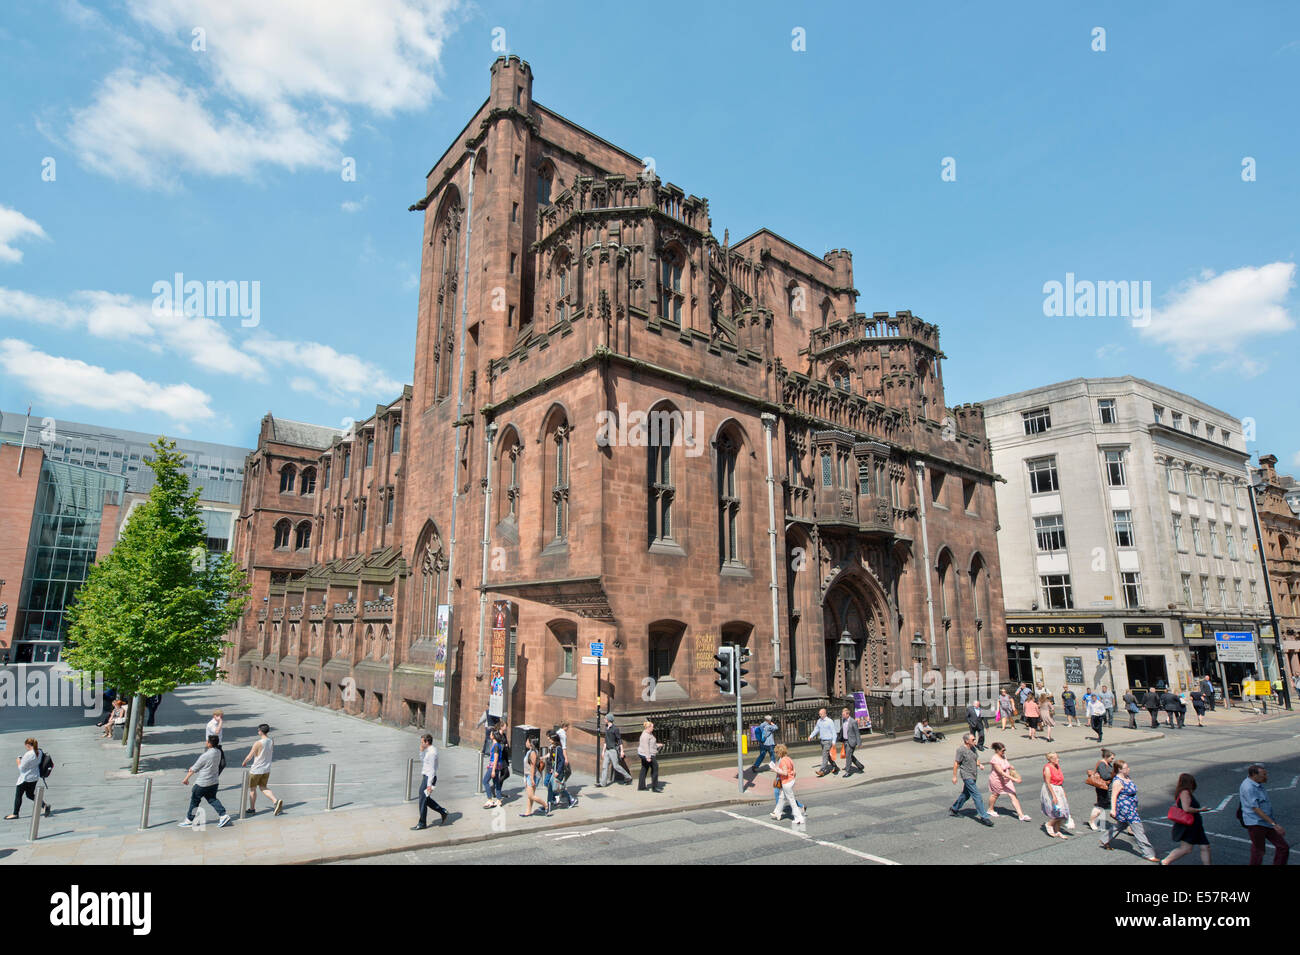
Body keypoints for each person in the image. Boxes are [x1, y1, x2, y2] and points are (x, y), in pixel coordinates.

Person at [1099, 759, 1157, 861]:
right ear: (1120, 770)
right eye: (1126, 768)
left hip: (1131, 807)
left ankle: (1104, 839)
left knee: (1121, 824)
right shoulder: (1117, 781)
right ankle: (1149, 854)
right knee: (1138, 829)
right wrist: (1113, 809)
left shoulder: (1127, 777)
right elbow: (1113, 796)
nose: (1128, 769)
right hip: (1126, 809)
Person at [1240, 764, 1289, 865]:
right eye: (1263, 774)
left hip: (1266, 822)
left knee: (1283, 847)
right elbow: (1256, 808)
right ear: (1254, 774)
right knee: (1258, 851)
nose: (1266, 777)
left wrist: (1272, 823)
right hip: (1256, 823)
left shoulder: (1256, 783)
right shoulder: (1249, 787)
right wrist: (1274, 824)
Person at [180, 735, 231, 828]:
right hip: (214, 781)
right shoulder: (218, 752)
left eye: (207, 741)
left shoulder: (205, 755)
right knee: (212, 799)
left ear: (209, 743)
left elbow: (194, 768)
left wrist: (185, 779)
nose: (206, 742)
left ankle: (189, 820)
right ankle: (223, 815)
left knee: (194, 801)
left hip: (202, 783)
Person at [1161, 773, 1210, 865]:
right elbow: (1186, 808)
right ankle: (1165, 861)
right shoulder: (1185, 792)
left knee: (1205, 846)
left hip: (1196, 825)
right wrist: (1200, 809)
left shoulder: (1182, 792)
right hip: (1190, 825)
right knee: (1186, 849)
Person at [949, 733, 995, 827]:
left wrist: (979, 764)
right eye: (973, 739)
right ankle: (984, 817)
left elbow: (975, 758)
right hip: (966, 775)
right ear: (967, 741)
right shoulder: (961, 750)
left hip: (973, 774)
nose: (975, 741)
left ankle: (954, 809)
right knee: (977, 795)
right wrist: (954, 776)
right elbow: (956, 763)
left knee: (966, 794)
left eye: (974, 739)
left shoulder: (973, 748)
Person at [240, 723, 283, 816]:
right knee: (263, 787)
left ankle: (252, 808)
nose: (257, 731)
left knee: (252, 789)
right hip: (266, 769)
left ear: (261, 731)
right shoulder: (271, 741)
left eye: (258, 730)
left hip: (256, 769)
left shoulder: (258, 743)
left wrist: (244, 761)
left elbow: (250, 755)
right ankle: (275, 801)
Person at [7, 738, 51, 821]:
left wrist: (18, 761)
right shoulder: (39, 752)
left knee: (18, 796)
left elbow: (21, 768)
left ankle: (15, 813)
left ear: (28, 745)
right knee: (30, 794)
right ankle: (44, 806)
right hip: (34, 777)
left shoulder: (28, 754)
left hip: (25, 778)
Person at [987, 742, 1032, 821]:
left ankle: (1021, 815)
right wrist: (1013, 779)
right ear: (997, 750)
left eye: (1004, 750)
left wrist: (1011, 766)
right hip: (997, 780)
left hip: (1006, 780)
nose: (1004, 752)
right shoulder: (994, 759)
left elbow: (1006, 764)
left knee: (1013, 795)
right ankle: (990, 809)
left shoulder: (1004, 756)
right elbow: (1001, 772)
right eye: (1002, 750)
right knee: (995, 794)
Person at [411, 732, 448, 829]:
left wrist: (429, 785)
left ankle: (422, 823)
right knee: (425, 799)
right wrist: (421, 751)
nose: (421, 744)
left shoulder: (432, 753)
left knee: (422, 799)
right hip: (426, 776)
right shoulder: (428, 750)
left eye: (422, 742)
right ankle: (442, 811)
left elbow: (432, 769)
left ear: (427, 742)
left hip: (429, 778)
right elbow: (423, 760)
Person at [770, 744, 805, 825]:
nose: (776, 754)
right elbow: (794, 772)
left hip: (786, 782)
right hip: (791, 780)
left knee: (791, 800)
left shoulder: (782, 761)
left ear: (779, 753)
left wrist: (775, 770)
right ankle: (777, 812)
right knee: (782, 797)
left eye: (776, 752)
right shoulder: (789, 759)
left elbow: (785, 773)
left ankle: (799, 818)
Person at [1040, 752, 1071, 839]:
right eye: (1056, 758)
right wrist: (1053, 795)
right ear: (1051, 759)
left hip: (1059, 789)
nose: (1058, 759)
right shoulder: (1047, 768)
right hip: (1051, 789)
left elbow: (1060, 781)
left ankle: (1057, 831)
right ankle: (1049, 824)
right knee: (1059, 812)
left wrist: (1063, 792)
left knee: (1062, 810)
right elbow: (1048, 783)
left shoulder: (1057, 766)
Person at [544, 729, 576, 810]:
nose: (548, 740)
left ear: (553, 739)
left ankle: (551, 802)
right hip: (554, 770)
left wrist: (557, 771)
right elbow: (554, 760)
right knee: (554, 786)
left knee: (557, 787)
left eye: (549, 738)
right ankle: (552, 801)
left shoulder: (558, 748)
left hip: (559, 772)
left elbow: (562, 761)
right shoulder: (553, 747)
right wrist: (552, 769)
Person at [1087, 749, 1116, 831]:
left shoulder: (1107, 764)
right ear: (1106, 757)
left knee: (1103, 805)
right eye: (1111, 758)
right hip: (1102, 788)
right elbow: (1105, 776)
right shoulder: (1102, 764)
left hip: (1106, 788)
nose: (1112, 760)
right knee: (1100, 806)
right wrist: (1114, 774)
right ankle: (1091, 821)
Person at [520, 735, 549, 817]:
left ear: (530, 743)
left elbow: (532, 766)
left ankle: (545, 805)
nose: (526, 742)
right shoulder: (530, 751)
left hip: (532, 775)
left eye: (527, 741)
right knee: (530, 795)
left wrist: (532, 779)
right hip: (528, 775)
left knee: (531, 795)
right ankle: (528, 812)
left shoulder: (533, 752)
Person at [599, 716, 632, 786]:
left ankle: (628, 777)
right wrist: (603, 751)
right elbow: (606, 741)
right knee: (604, 767)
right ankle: (603, 783)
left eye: (605, 718)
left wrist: (622, 751)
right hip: (607, 750)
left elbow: (619, 740)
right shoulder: (606, 728)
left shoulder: (615, 729)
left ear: (609, 720)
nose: (604, 719)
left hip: (613, 750)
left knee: (616, 766)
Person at [809, 707, 840, 776]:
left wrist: (834, 742)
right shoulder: (819, 721)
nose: (820, 715)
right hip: (822, 741)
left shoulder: (830, 721)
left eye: (821, 714)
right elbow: (816, 729)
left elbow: (834, 732)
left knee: (824, 755)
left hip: (828, 741)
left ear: (825, 714)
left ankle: (822, 771)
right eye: (819, 714)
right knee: (828, 756)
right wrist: (811, 736)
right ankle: (835, 767)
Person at [482, 729, 505, 808]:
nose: (490, 735)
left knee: (485, 781)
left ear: (494, 736)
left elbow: (495, 758)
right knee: (496, 782)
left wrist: (493, 770)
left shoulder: (495, 746)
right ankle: (498, 800)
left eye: (491, 734)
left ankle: (490, 800)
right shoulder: (497, 745)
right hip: (497, 766)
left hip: (493, 766)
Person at [637, 720, 662, 792]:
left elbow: (651, 744)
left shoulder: (648, 733)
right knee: (655, 768)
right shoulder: (645, 736)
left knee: (644, 768)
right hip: (648, 754)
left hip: (644, 754)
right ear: (648, 727)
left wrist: (657, 745)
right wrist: (648, 757)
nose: (653, 728)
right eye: (652, 727)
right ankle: (655, 787)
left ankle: (641, 786)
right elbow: (646, 747)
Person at [840, 708, 864, 776]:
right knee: (850, 756)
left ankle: (848, 771)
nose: (843, 716)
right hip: (845, 741)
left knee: (848, 756)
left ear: (848, 714)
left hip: (851, 742)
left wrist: (859, 743)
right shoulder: (843, 720)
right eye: (842, 714)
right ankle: (860, 766)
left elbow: (857, 733)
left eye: (844, 714)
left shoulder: (853, 722)